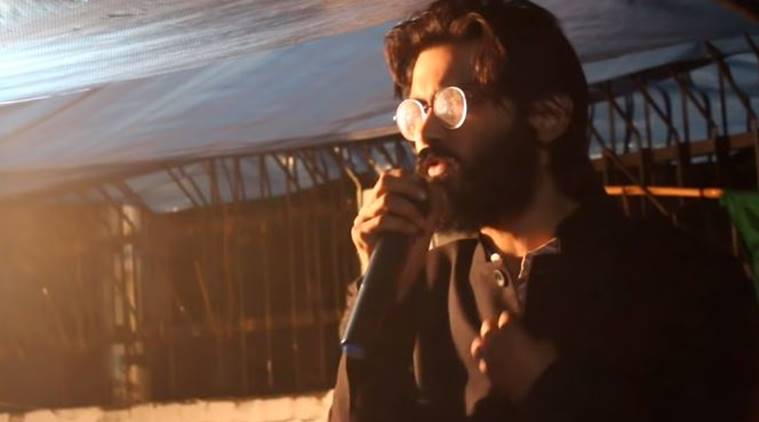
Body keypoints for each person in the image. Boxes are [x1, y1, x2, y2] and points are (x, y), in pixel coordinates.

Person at [329, 1, 758, 421]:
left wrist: (546, 388)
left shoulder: (682, 279)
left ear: (547, 116)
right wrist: (380, 289)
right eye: (415, 112)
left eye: (451, 104)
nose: (424, 132)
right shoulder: (428, 282)